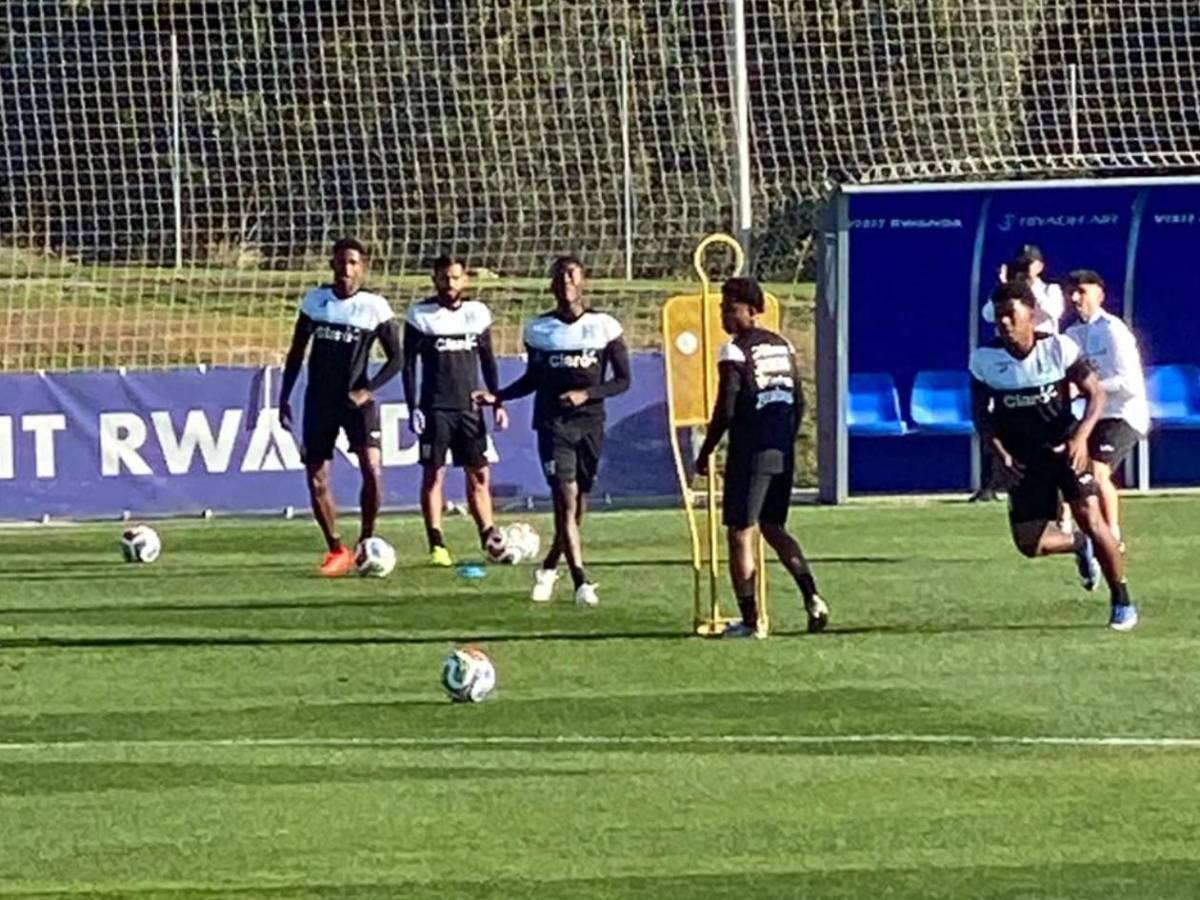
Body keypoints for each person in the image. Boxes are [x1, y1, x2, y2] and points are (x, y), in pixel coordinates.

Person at [969, 280, 1138, 631]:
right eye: (998, 318)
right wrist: (1000, 455)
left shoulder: (1059, 349)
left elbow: (1095, 396)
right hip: (1024, 459)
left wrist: (1080, 437)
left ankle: (1122, 599)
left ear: (1031, 315)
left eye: (1010, 316)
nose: (1004, 324)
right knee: (1029, 544)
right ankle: (1078, 545)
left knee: (1091, 517)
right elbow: (982, 416)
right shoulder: (985, 359)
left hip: (1065, 449)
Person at [472, 256, 630, 606]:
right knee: (565, 500)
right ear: (553, 286)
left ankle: (547, 568)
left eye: (572, 275)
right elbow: (533, 379)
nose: (566, 282)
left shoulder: (605, 326)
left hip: (591, 425)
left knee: (578, 507)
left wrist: (586, 394)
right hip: (552, 425)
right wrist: (497, 396)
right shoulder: (539, 330)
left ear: (583, 281)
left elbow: (623, 380)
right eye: (559, 277)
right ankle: (580, 581)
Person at [694, 277, 830, 639]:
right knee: (773, 527)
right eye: (722, 308)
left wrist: (707, 450)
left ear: (752, 311)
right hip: (781, 448)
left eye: (731, 309)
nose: (725, 316)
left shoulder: (734, 350)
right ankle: (812, 596)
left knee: (740, 533)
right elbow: (799, 399)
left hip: (751, 450)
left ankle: (752, 621)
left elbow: (727, 406)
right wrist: (786, 436)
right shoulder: (783, 344)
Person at [278, 237, 403, 576]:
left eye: (353, 263)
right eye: (341, 262)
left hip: (356, 402)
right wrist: (284, 396)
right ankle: (336, 548)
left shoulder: (374, 307)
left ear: (362, 267)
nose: (346, 270)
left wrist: (368, 390)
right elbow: (296, 352)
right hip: (319, 400)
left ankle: (366, 540)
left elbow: (397, 359)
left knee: (373, 470)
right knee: (317, 479)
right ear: (332, 265)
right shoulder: (316, 301)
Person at [403, 254, 508, 567]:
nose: (449, 284)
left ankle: (487, 536)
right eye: (444, 278)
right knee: (434, 474)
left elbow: (488, 360)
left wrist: (497, 401)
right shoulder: (420, 315)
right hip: (436, 409)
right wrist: (414, 407)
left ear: (465, 280)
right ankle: (437, 542)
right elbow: (408, 367)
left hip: (470, 408)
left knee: (479, 475)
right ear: (435, 280)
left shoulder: (477, 314)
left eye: (455, 277)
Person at [973, 245, 1067, 502]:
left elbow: (1050, 312)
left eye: (1029, 265)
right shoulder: (1006, 296)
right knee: (995, 417)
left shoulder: (1050, 290)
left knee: (1047, 422)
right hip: (1009, 364)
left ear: (1040, 266)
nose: (1024, 270)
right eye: (1021, 265)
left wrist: (1030, 286)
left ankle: (1057, 482)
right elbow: (989, 314)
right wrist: (1005, 287)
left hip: (1043, 365)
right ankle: (990, 483)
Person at [1064, 270, 1149, 553]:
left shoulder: (1114, 330)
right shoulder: (1071, 335)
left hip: (1124, 412)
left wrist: (1090, 388)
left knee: (1099, 472)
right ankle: (1078, 536)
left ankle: (1112, 537)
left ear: (1099, 295)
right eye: (1072, 292)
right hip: (1092, 416)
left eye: (1082, 292)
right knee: (1070, 469)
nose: (1075, 298)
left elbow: (1129, 382)